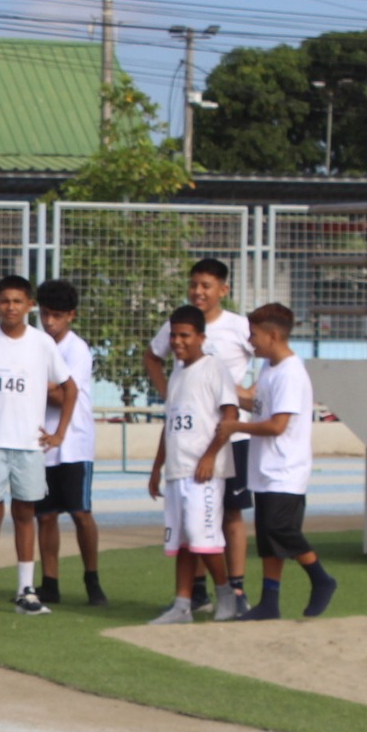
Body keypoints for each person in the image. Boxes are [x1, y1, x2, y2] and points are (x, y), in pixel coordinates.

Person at [145, 258, 254, 617]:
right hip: (183, 452)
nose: (198, 291)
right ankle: (190, 599)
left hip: (222, 444)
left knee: (224, 518)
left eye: (206, 285)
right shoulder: (178, 357)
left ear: (223, 289)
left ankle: (233, 591)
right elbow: (153, 361)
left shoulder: (233, 335)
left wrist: (254, 394)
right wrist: (157, 465)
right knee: (185, 532)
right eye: (194, 284)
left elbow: (270, 356)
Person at [0, 275, 76, 616]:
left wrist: (58, 434)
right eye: (4, 301)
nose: (10, 307)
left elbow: (70, 387)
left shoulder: (42, 343)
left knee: (25, 514)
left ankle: (25, 590)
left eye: (17, 301)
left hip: (28, 445)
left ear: (29, 305)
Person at [230, 303, 337, 619]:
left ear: (273, 335)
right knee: (267, 537)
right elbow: (256, 403)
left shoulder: (290, 373)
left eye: (254, 335)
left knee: (281, 529)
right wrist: (221, 386)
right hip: (265, 468)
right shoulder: (269, 367)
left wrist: (235, 427)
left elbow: (277, 425)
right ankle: (269, 601)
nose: (250, 341)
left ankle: (320, 577)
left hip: (286, 469)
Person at [32, 279, 104, 607]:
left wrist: (37, 382)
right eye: (45, 314)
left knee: (80, 512)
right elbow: (55, 390)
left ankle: (92, 579)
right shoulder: (35, 345)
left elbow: (64, 397)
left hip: (74, 442)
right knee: (45, 516)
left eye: (57, 316)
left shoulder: (77, 350)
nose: (49, 322)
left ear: (71, 315)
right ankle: (50, 583)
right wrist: (47, 385)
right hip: (41, 441)